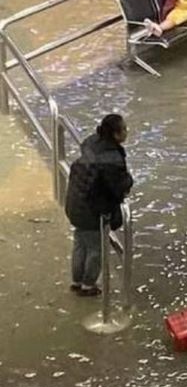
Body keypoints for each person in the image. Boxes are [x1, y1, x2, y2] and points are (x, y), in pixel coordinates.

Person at [64, 114, 133, 297]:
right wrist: (128, 181)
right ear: (116, 134)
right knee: (95, 249)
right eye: (124, 129)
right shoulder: (112, 159)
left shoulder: (91, 142)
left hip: (75, 202)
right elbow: (118, 186)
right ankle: (88, 285)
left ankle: (76, 281)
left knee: (80, 243)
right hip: (92, 212)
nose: (127, 132)